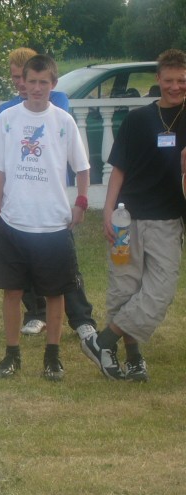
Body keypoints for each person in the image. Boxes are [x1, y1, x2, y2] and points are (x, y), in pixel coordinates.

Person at [81, 49, 186, 383]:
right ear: (158, 79)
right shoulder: (138, 119)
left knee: (160, 292)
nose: (175, 86)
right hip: (127, 218)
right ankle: (134, 358)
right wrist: (108, 211)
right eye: (169, 80)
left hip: (168, 219)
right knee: (124, 287)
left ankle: (102, 341)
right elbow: (119, 170)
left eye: (182, 80)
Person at [0, 55, 90, 382]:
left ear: (53, 85)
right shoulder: (7, 119)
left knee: (55, 293)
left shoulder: (63, 121)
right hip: (13, 222)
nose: (36, 88)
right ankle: (11, 354)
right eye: (31, 81)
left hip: (53, 224)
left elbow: (82, 168)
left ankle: (52, 357)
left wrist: (81, 202)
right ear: (23, 82)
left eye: (43, 82)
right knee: (12, 292)